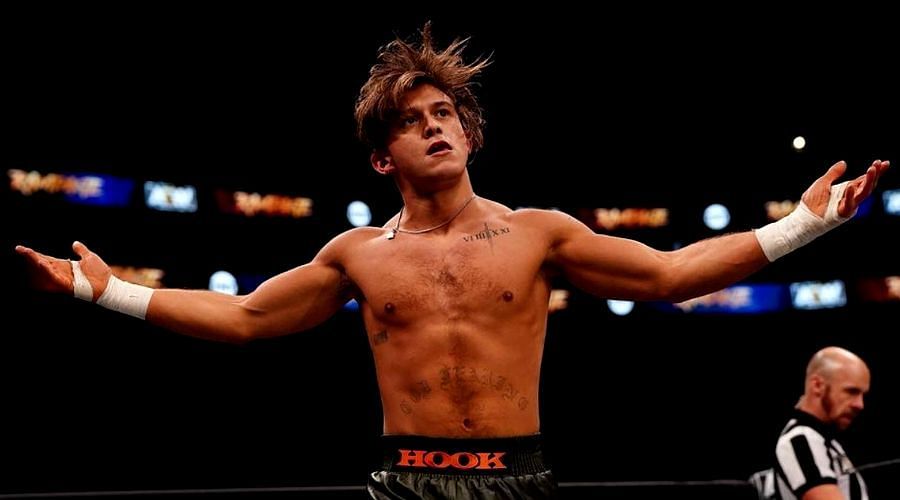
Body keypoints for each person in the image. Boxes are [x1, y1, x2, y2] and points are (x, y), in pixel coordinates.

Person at [15, 24, 890, 499]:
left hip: (519, 477)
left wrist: (800, 228)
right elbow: (245, 317)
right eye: (412, 120)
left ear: (469, 133)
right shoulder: (358, 254)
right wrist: (108, 293)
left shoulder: (538, 234)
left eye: (445, 114)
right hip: (405, 482)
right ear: (381, 157)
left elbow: (669, 275)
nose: (435, 126)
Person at [770, 347, 871, 500]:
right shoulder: (800, 441)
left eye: (862, 395)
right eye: (851, 391)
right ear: (817, 385)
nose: (860, 404)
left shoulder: (824, 440)